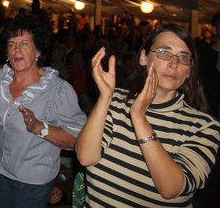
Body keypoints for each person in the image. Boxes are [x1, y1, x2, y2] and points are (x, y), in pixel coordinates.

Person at [75, 24, 220, 207]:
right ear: (144, 57)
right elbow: (86, 157)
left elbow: (171, 188)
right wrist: (104, 98)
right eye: (164, 52)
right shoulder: (116, 100)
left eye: (183, 57)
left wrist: (139, 118)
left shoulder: (204, 126)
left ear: (189, 69)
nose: (173, 64)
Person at [0, 16, 86, 208]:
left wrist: (39, 127)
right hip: (0, 173)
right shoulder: (0, 81)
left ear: (38, 51)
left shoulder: (57, 90)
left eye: (24, 44)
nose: (16, 49)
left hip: (32, 183)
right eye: (11, 44)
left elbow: (78, 139)